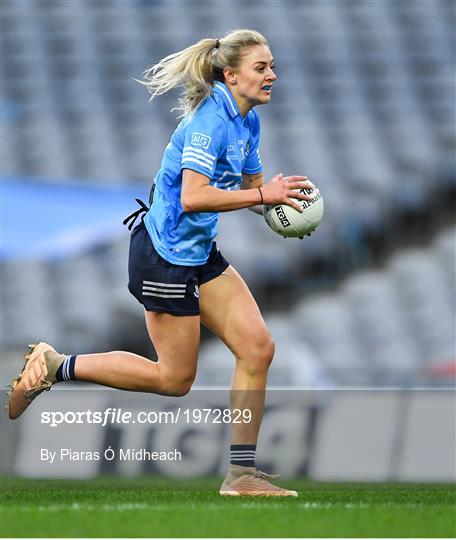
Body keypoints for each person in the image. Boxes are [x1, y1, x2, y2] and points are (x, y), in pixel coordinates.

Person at [8, 29, 314, 497]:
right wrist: (260, 194)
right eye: (261, 67)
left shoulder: (248, 122)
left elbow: (250, 192)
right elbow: (193, 198)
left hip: (198, 254)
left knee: (257, 348)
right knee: (173, 380)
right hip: (163, 257)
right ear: (231, 75)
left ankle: (242, 475)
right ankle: (56, 365)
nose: (271, 75)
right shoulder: (209, 123)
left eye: (272, 66)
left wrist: (279, 203)